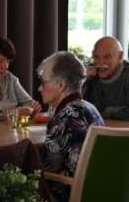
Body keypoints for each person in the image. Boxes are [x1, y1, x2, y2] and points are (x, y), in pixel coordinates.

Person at [38, 51, 104, 180]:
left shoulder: (62, 118)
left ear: (61, 85)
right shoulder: (91, 109)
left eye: (44, 82)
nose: (39, 88)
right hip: (97, 187)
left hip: (69, 190)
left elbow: (49, 169)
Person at [83, 36, 129, 121]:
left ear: (120, 57)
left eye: (107, 57)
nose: (101, 62)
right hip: (105, 128)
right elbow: (81, 111)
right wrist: (83, 80)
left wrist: (108, 111)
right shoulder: (91, 74)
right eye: (96, 57)